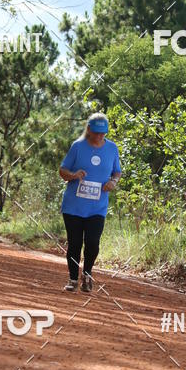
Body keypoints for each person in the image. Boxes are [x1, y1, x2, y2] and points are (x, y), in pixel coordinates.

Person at [59, 112, 122, 292]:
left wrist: (113, 182)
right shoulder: (77, 147)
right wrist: (73, 175)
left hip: (97, 207)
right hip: (73, 206)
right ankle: (72, 279)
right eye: (96, 132)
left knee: (93, 242)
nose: (100, 136)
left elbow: (117, 171)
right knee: (75, 243)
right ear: (89, 130)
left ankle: (87, 274)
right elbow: (62, 170)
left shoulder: (112, 149)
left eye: (103, 133)